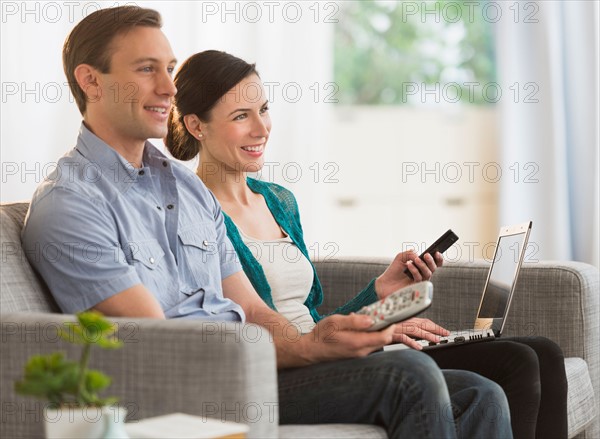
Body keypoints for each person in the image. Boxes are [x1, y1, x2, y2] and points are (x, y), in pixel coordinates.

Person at [21, 6, 513, 439]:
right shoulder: (71, 205)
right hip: (199, 391)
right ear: (91, 81)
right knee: (410, 375)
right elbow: (161, 347)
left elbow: (254, 311)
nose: (169, 88)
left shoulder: (185, 187)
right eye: (147, 69)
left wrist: (312, 340)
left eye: (169, 69)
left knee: (479, 394)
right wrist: (307, 351)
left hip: (253, 367)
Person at [165, 50, 568, 439]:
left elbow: (314, 321)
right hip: (279, 370)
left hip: (319, 353)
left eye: (264, 110)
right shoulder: (192, 211)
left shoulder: (278, 200)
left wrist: (380, 293)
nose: (261, 128)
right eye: (241, 116)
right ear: (197, 126)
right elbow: (260, 327)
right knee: (485, 381)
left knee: (534, 357)